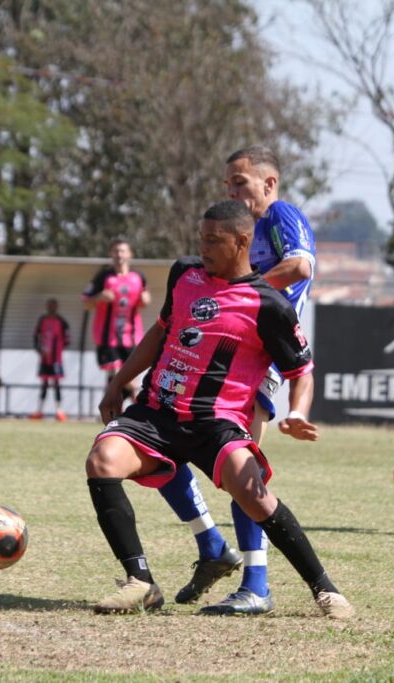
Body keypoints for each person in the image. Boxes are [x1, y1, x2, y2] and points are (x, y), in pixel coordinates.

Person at [84, 200, 352, 620]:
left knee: (256, 497)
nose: (203, 247)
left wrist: (297, 412)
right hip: (158, 411)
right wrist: (118, 382)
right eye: (202, 238)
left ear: (242, 241)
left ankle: (324, 589)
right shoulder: (184, 274)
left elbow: (302, 370)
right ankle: (141, 583)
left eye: (214, 240)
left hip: (217, 424)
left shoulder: (269, 304)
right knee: (102, 461)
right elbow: (160, 332)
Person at [156, 145, 317, 615]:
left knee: (240, 470)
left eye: (240, 182)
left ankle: (257, 585)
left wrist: (235, 291)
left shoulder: (282, 215)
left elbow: (301, 265)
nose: (231, 191)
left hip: (260, 359)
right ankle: (210, 544)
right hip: (217, 356)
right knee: (157, 442)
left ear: (269, 185)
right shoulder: (235, 233)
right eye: (227, 184)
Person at [82, 238, 151, 400]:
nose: (119, 255)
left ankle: (119, 410)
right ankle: (140, 396)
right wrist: (99, 297)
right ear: (111, 254)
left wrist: (145, 300)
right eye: (116, 251)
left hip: (132, 337)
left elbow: (144, 298)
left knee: (121, 378)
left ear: (129, 254)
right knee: (117, 372)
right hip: (107, 337)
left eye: (122, 251)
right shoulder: (103, 277)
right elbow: (86, 303)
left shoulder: (138, 276)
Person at [30, 297, 70, 421]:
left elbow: (67, 339)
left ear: (56, 307)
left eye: (53, 305)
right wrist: (38, 348)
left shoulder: (62, 321)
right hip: (44, 358)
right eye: (49, 305)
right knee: (44, 384)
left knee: (56, 383)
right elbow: (36, 335)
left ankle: (59, 411)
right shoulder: (42, 320)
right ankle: (39, 410)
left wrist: (58, 348)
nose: (51, 307)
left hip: (56, 359)